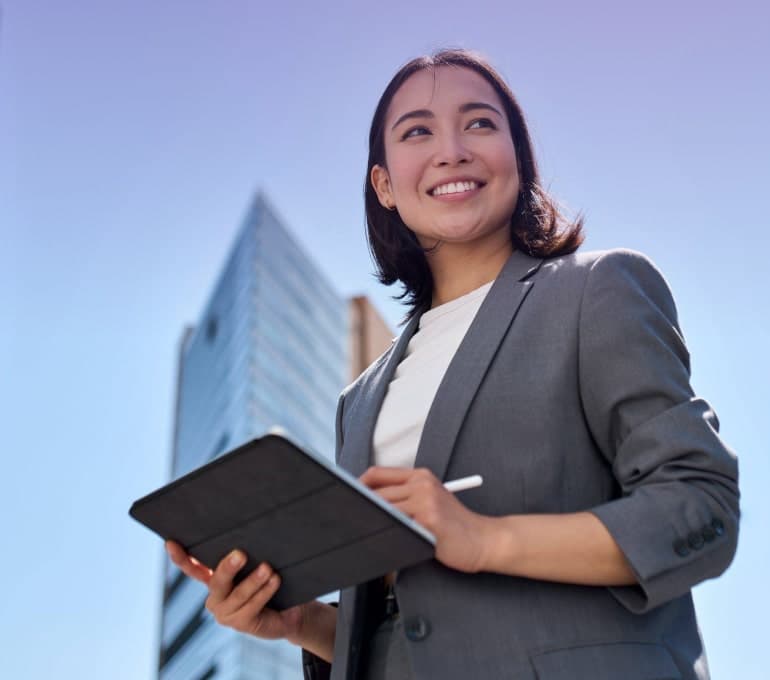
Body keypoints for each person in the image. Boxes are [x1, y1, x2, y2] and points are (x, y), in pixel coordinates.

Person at [167, 48, 740, 680]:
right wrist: (301, 623)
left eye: (479, 124)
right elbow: (406, 631)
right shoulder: (358, 401)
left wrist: (486, 539)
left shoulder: (596, 290)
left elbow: (700, 508)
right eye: (418, 132)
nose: (452, 150)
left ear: (516, 160)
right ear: (384, 185)